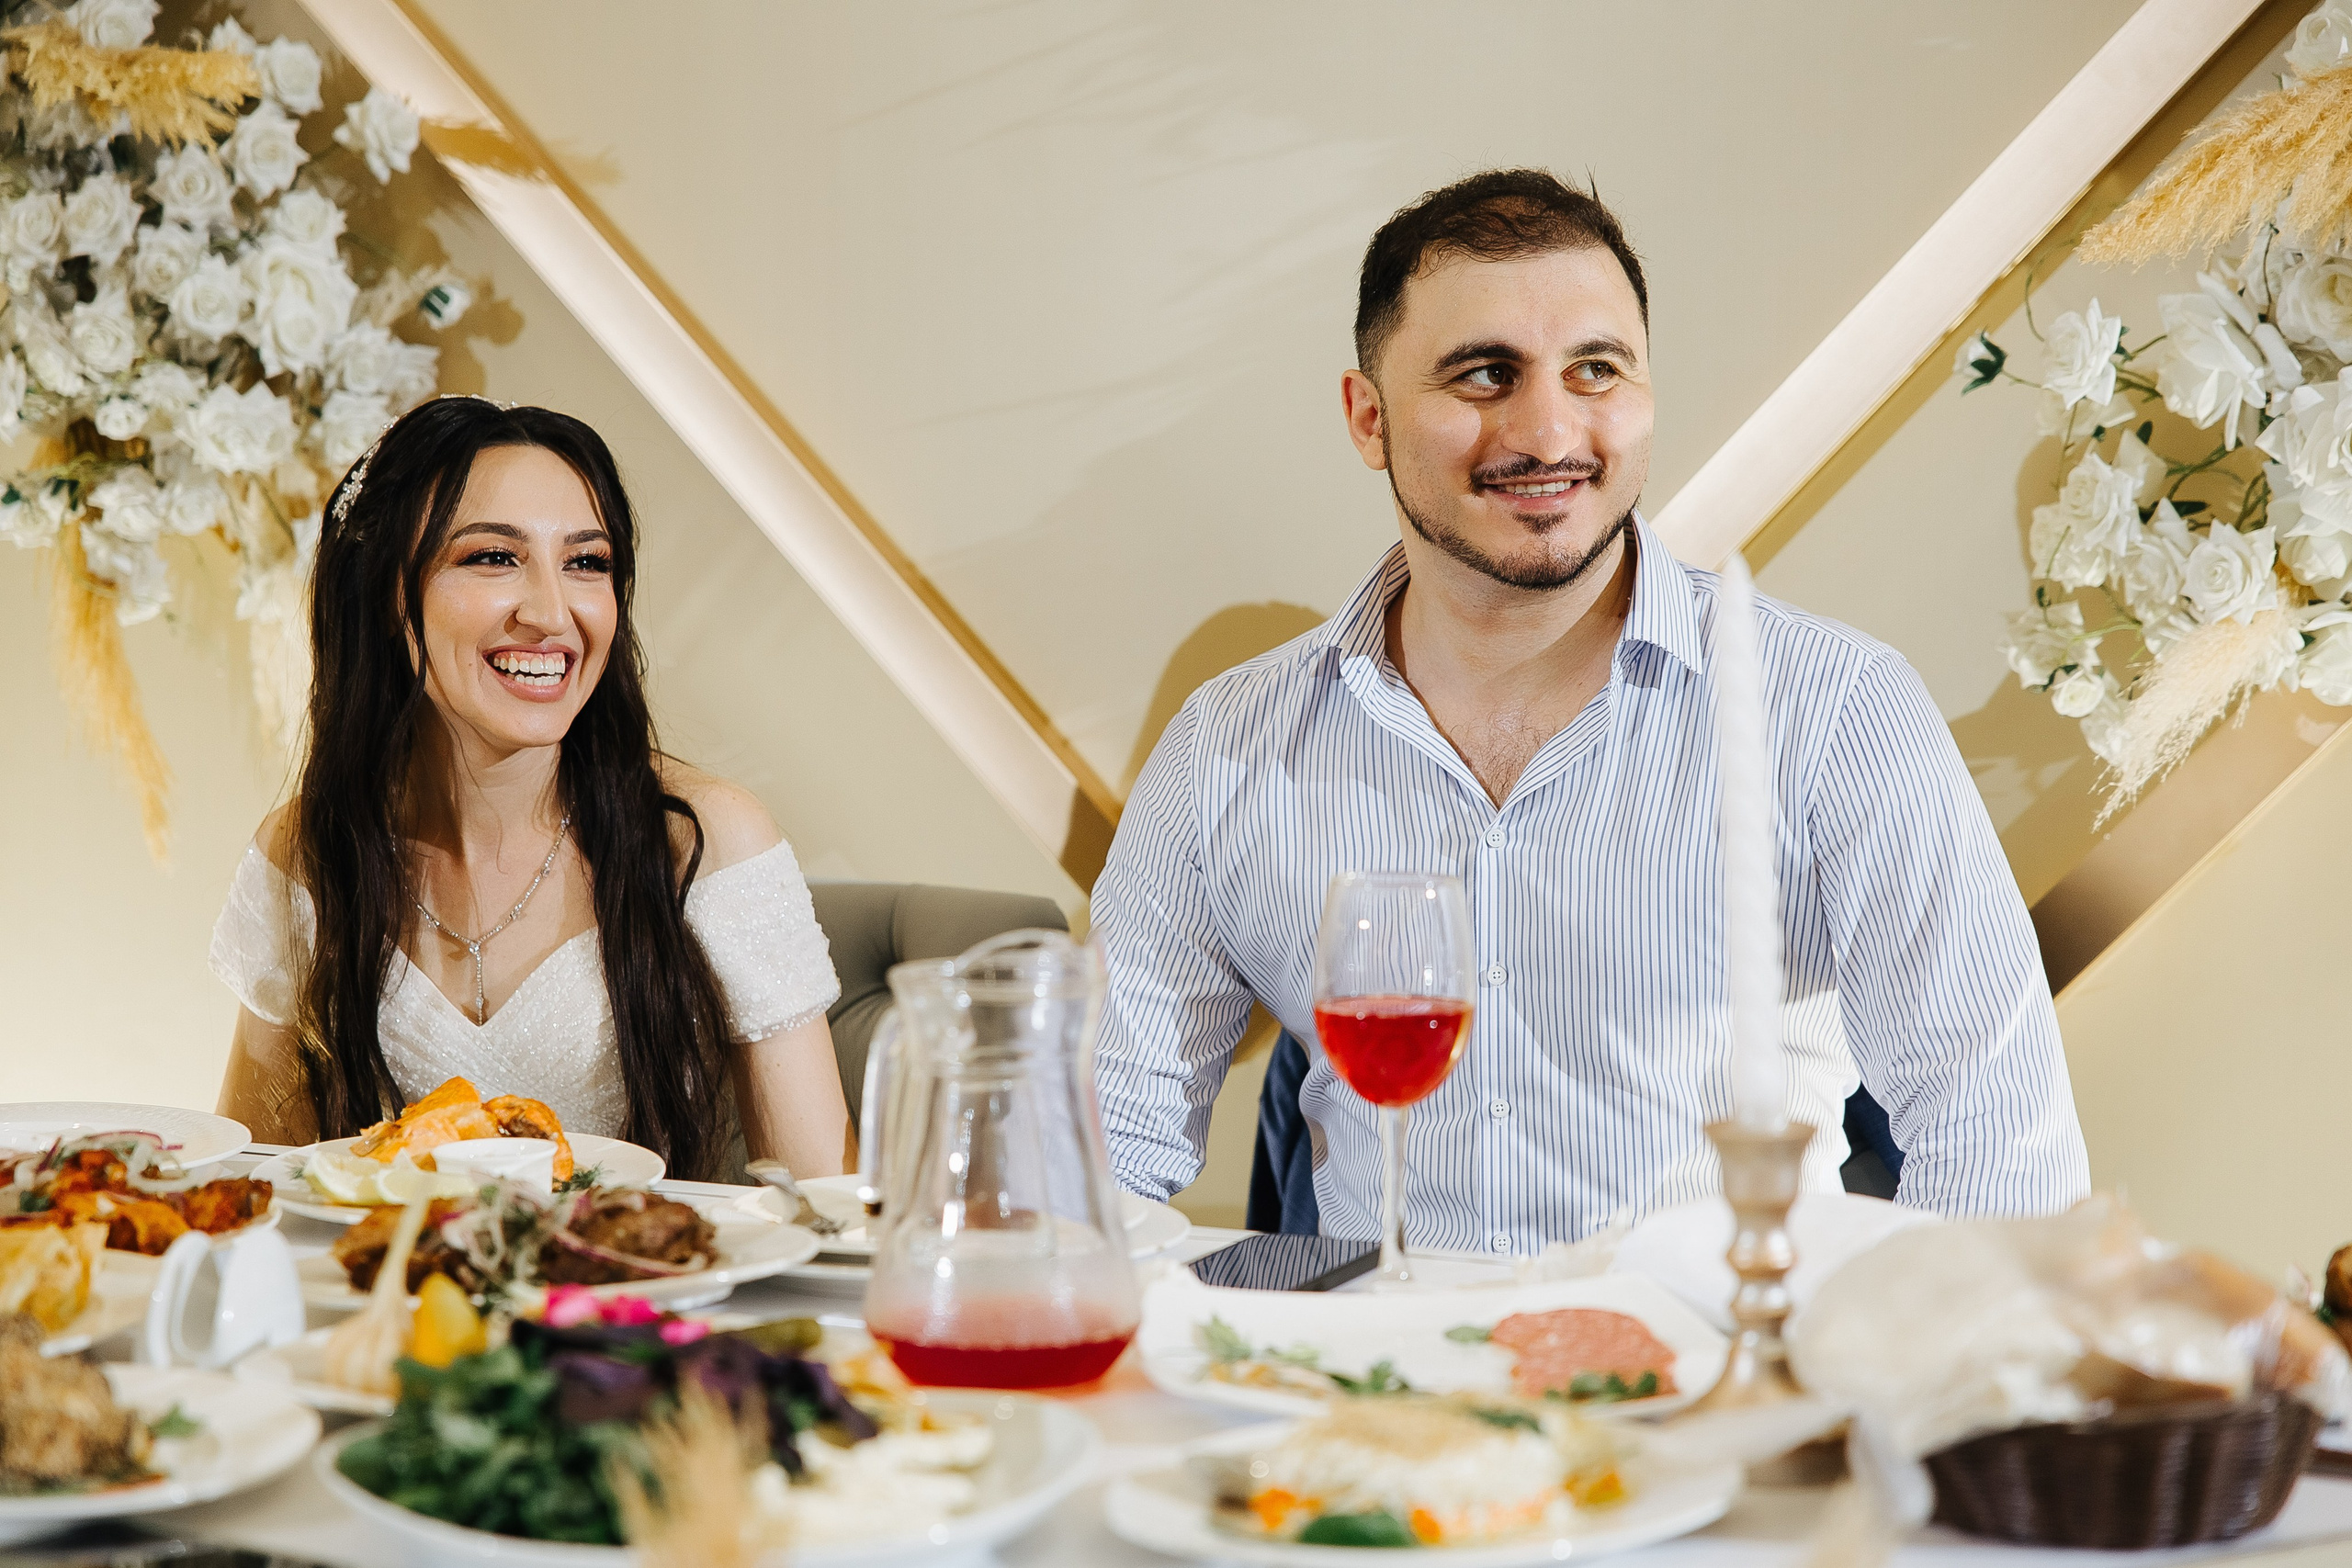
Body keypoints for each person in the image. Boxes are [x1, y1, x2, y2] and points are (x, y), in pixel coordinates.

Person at [1091, 170, 2089, 1253]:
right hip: (1384, 1352)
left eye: (1595, 370)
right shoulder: (1227, 748)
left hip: (1721, 1349)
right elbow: (1095, 1165)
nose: (1547, 430)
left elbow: (2000, 1154)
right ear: (1368, 418)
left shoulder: (1835, 709)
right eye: (1484, 374)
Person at [209, 397, 851, 1181]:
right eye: (493, 557)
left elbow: (821, 1198)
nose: (552, 613)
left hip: (634, 1262)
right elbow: (255, 1182)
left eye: (587, 563)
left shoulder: (706, 839)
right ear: (384, 593)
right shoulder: (308, 850)